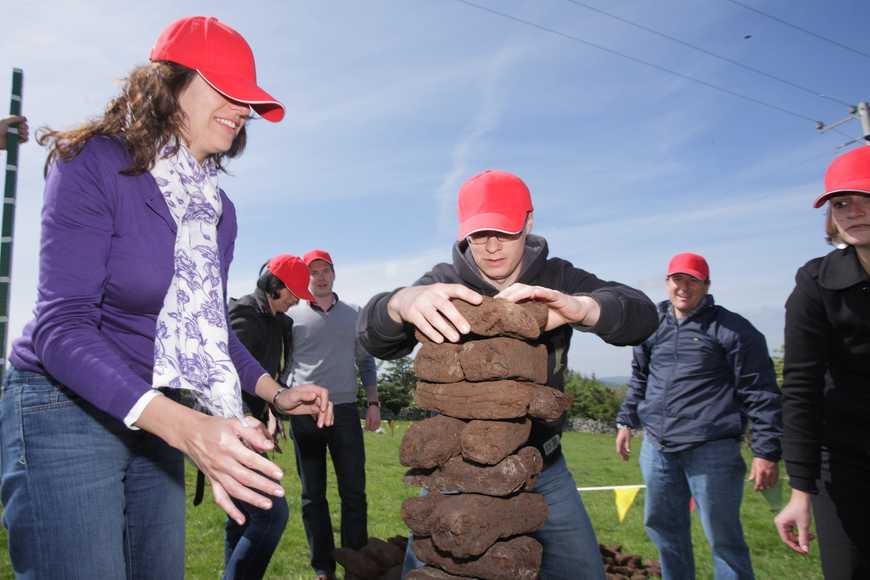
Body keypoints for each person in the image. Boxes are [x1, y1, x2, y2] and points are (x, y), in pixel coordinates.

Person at [0, 17, 333, 579]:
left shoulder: (218, 212)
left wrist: (275, 394)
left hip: (154, 411)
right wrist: (183, 426)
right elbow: (62, 327)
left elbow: (212, 331)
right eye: (229, 92)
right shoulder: (94, 161)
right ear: (168, 83)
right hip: (64, 406)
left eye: (250, 100)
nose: (245, 110)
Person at [357, 169, 658, 580]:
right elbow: (373, 339)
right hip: (455, 473)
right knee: (431, 566)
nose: (492, 246)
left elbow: (641, 314)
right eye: (480, 234)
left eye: (505, 231)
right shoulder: (444, 282)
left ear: (528, 223)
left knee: (582, 572)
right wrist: (399, 302)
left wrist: (583, 308)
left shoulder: (557, 278)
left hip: (543, 468)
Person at [614, 252, 781, 580]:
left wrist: (766, 451)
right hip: (657, 448)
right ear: (667, 282)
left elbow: (760, 392)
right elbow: (640, 378)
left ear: (707, 285)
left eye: (693, 280)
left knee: (724, 539)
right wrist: (626, 421)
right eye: (678, 279)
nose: (684, 287)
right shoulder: (651, 325)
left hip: (712, 449)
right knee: (664, 530)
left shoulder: (733, 330)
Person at [774, 146, 870, 578]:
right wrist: (801, 488)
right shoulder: (815, 282)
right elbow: (800, 388)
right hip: (847, 462)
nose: (853, 211)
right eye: (841, 202)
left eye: (867, 198)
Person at [284, 249, 379, 580]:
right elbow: (284, 366)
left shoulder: (354, 313)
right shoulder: (292, 316)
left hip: (345, 412)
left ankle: (355, 563)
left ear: (334, 273)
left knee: (354, 492)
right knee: (313, 496)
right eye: (314, 272)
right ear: (306, 278)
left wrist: (373, 403)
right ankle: (323, 568)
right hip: (304, 413)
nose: (320, 277)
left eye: (325, 271)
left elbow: (366, 362)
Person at [224, 254, 318, 579]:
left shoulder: (281, 323)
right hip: (235, 428)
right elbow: (229, 375)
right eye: (292, 292)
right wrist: (250, 416)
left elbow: (272, 376)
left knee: (240, 515)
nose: (295, 300)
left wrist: (273, 413)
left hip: (259, 425)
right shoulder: (242, 314)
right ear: (273, 285)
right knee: (271, 513)